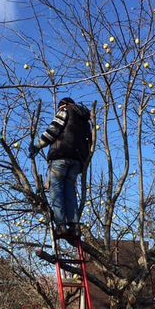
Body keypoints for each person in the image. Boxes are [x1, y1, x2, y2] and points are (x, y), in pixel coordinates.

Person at [28, 97, 91, 237]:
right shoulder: (86, 122)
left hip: (60, 156)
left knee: (56, 191)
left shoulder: (65, 110)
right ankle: (74, 226)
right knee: (70, 191)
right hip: (77, 161)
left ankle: (61, 225)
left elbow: (53, 131)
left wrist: (37, 146)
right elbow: (89, 144)